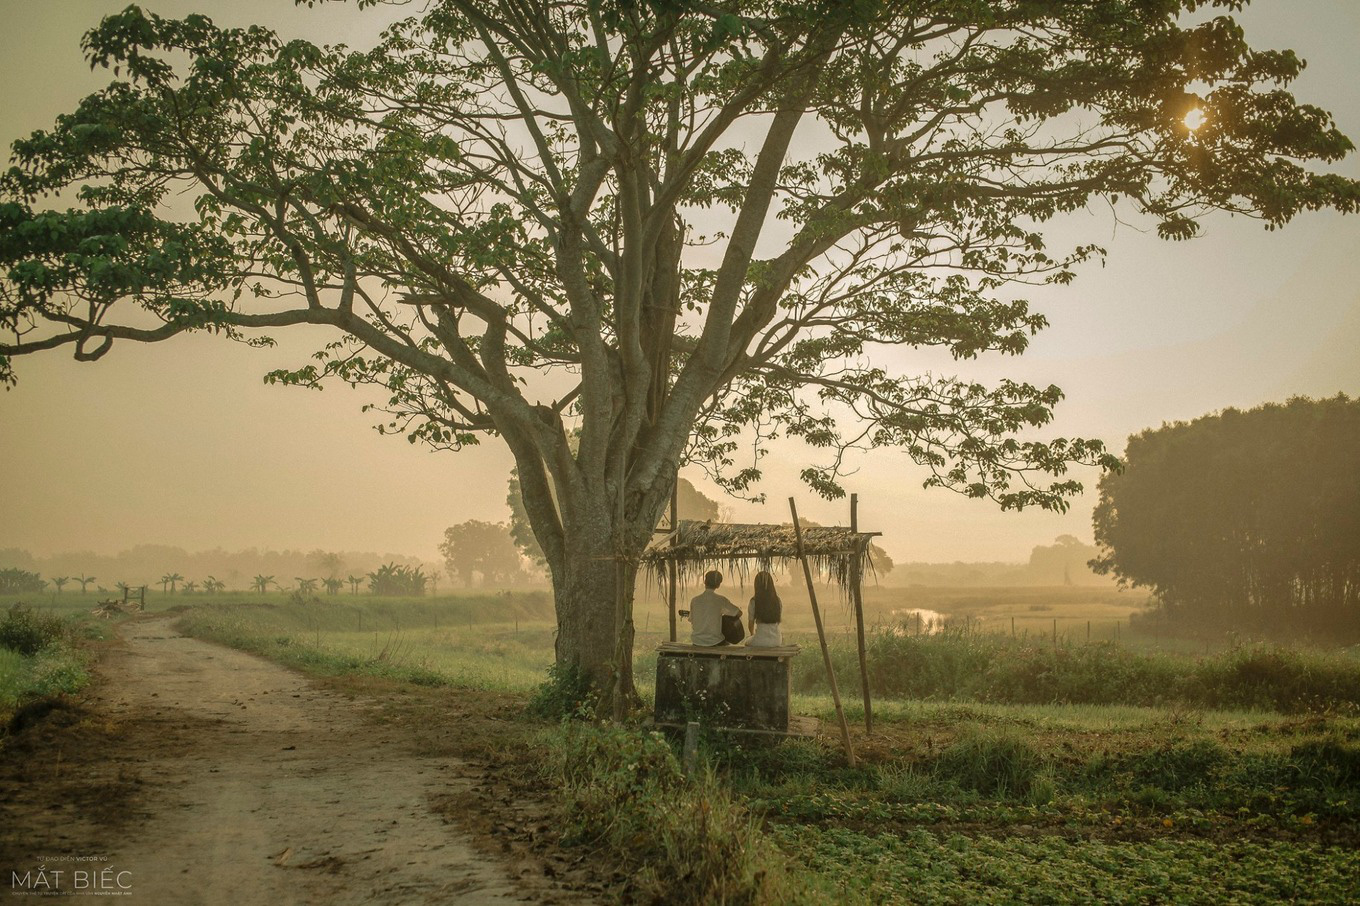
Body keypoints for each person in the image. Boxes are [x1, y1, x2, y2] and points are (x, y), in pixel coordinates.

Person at [688, 570, 741, 647]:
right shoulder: (721, 600)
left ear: (705, 581)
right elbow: (739, 613)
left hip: (697, 642)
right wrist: (724, 618)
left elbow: (691, 620)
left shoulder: (694, 600)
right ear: (718, 585)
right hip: (715, 642)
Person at [745, 570, 783, 647]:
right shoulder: (777, 600)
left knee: (747, 641)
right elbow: (778, 620)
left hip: (760, 640)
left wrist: (752, 634)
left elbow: (751, 623)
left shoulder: (754, 601)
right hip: (777, 640)